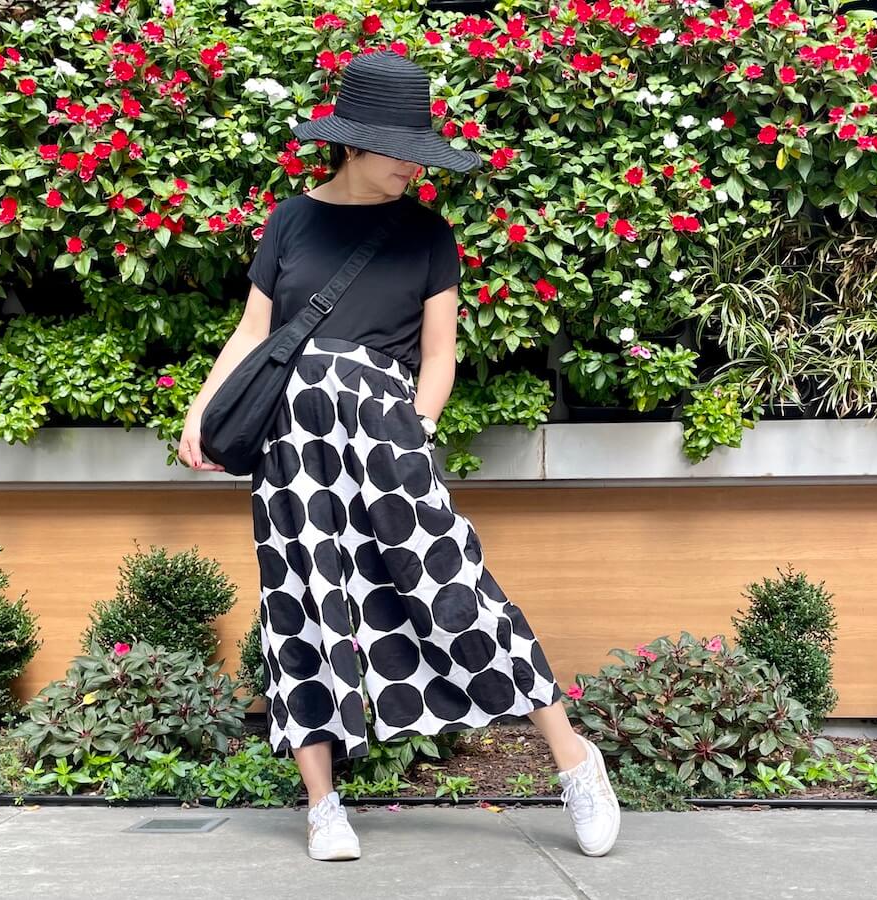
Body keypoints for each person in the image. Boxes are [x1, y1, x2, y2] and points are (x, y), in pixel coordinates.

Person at [178, 50, 619, 862]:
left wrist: (412, 427)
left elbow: (440, 355)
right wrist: (203, 409)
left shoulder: (425, 232)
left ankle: (574, 760)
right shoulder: (290, 220)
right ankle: (323, 805)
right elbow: (253, 331)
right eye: (400, 154)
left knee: (454, 584)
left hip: (386, 429)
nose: (413, 170)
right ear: (353, 145)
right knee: (300, 601)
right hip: (291, 442)